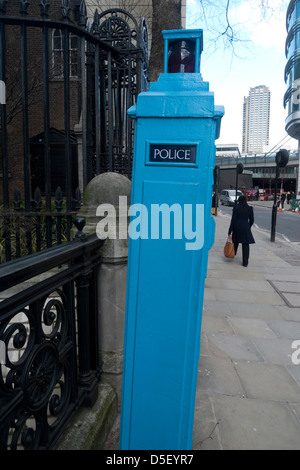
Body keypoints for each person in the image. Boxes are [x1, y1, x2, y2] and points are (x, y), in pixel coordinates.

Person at [228, 195, 255, 267]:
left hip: (237, 227)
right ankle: (245, 262)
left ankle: (233, 254)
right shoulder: (249, 208)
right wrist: (248, 226)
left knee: (235, 241)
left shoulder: (236, 207)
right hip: (245, 227)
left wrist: (230, 231)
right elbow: (252, 220)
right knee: (245, 244)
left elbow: (233, 220)